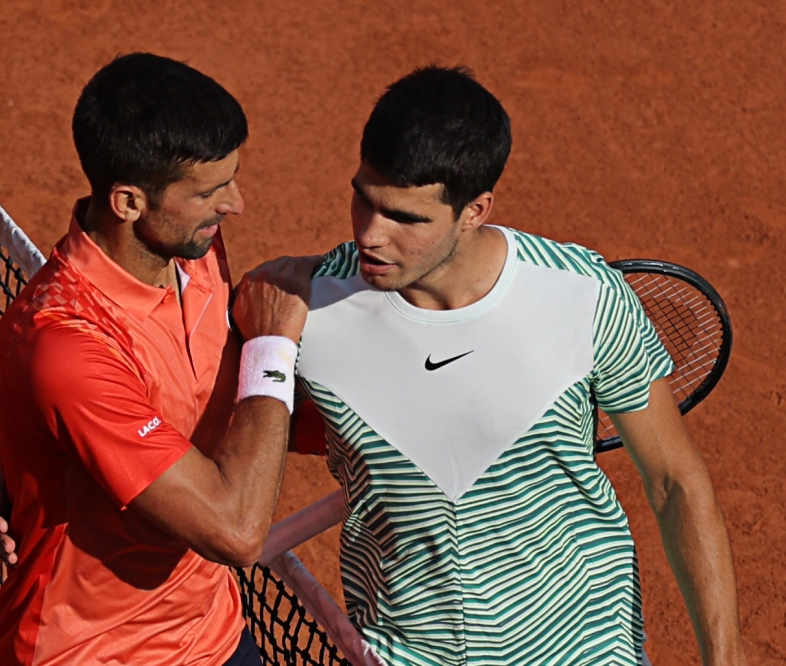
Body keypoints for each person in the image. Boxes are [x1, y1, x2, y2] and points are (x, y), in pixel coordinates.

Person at [288, 66, 747, 666]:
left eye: (407, 218)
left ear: (475, 210)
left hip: (581, 646)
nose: (372, 234)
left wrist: (726, 655)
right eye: (364, 198)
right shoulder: (304, 308)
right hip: (402, 651)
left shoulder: (581, 295)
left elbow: (673, 481)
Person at [0, 52, 318, 666]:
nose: (235, 205)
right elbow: (237, 531)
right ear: (129, 202)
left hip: (209, 634)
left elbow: (222, 407)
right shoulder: (68, 342)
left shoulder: (194, 251)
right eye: (211, 192)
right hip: (91, 652)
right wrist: (273, 346)